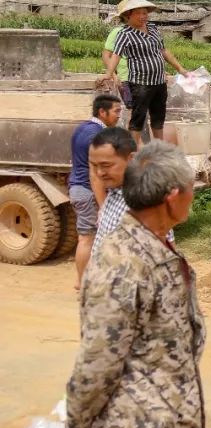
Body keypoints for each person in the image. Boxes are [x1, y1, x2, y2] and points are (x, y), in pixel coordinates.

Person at [66, 141, 205, 428]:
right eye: (191, 189)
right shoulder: (123, 262)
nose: (193, 196)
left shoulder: (155, 245)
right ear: (173, 196)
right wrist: (77, 425)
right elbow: (98, 357)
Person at [104, 0, 191, 144]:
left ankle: (159, 149)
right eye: (139, 13)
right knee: (138, 117)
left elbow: (163, 50)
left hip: (159, 82)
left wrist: (180, 68)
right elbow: (115, 55)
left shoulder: (153, 28)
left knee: (158, 116)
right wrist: (109, 74)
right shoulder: (124, 34)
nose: (143, 16)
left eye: (145, 13)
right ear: (128, 15)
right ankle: (132, 153)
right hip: (140, 83)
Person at [69, 94, 123, 287]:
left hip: (78, 188)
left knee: (85, 237)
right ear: (102, 112)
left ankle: (81, 281)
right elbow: (96, 175)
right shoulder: (97, 137)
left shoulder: (82, 128)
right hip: (88, 191)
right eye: (116, 111)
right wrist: (103, 207)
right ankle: (84, 284)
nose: (119, 115)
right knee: (87, 239)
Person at [88, 127, 139, 262]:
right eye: (94, 166)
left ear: (131, 159)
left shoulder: (142, 204)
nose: (99, 173)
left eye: (106, 165)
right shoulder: (114, 192)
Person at [102, 0, 133, 110]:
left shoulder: (142, 32)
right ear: (125, 15)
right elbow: (106, 55)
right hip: (125, 78)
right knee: (132, 109)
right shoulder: (117, 32)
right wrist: (114, 76)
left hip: (143, 78)